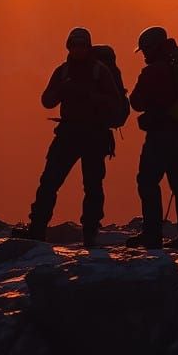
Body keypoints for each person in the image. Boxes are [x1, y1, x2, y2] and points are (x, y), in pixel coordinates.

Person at [13, 27, 122, 247]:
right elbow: (47, 101)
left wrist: (88, 95)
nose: (78, 49)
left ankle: (86, 232)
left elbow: (115, 102)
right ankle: (40, 229)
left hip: (88, 134)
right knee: (52, 181)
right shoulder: (70, 72)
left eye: (81, 45)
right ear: (69, 47)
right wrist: (64, 90)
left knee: (87, 185)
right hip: (75, 134)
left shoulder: (94, 71)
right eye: (75, 45)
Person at [128, 26, 178, 252]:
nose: (143, 54)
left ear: (153, 48)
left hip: (160, 135)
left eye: (145, 49)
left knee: (148, 181)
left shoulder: (154, 71)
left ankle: (152, 235)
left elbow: (136, 101)